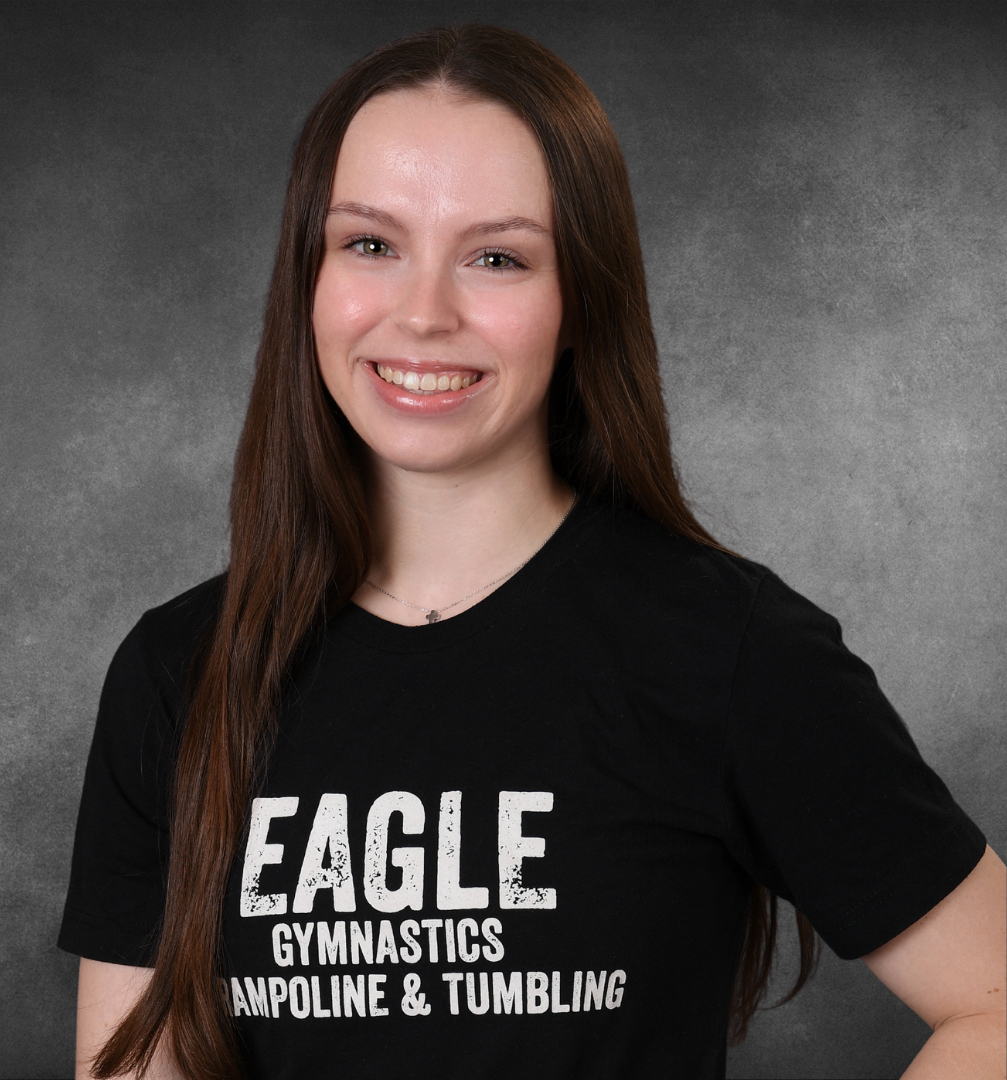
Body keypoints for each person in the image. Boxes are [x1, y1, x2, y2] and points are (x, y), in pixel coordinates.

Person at [59, 24, 1005, 1080]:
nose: (423, 314)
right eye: (371, 244)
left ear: (578, 304)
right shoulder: (177, 672)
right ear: (309, 278)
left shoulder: (730, 650)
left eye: (497, 257)